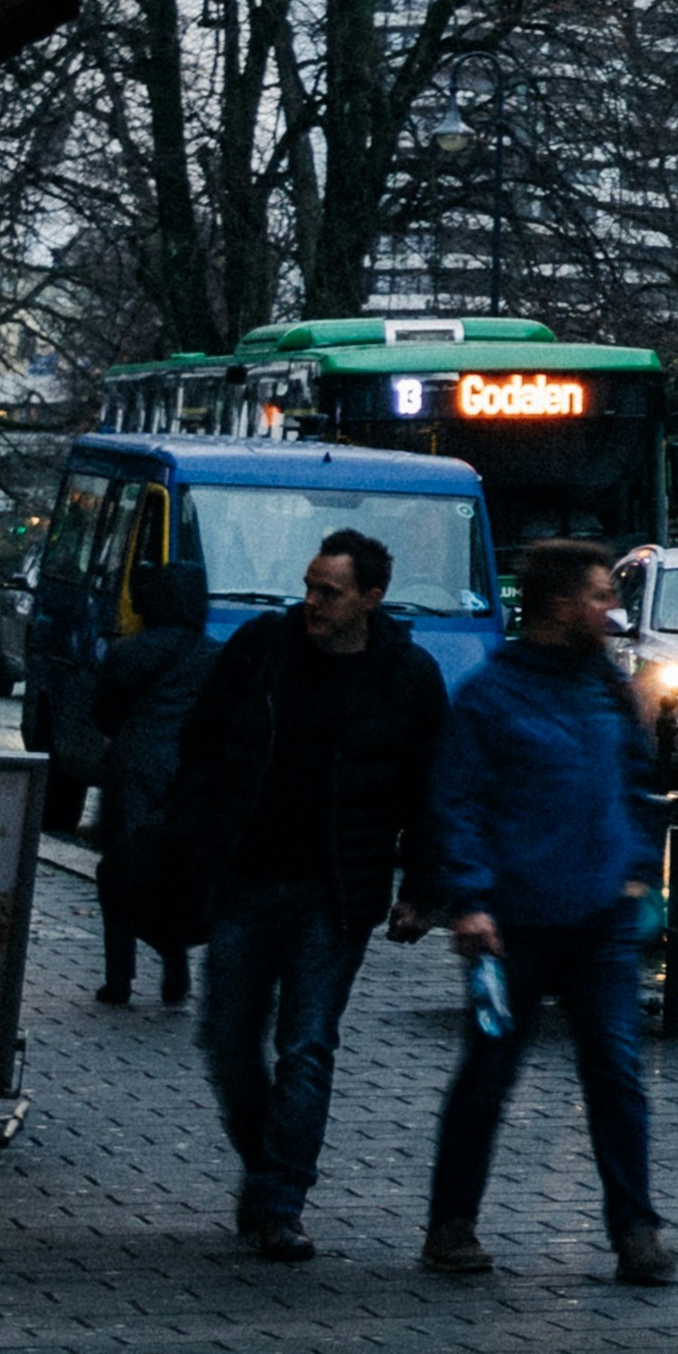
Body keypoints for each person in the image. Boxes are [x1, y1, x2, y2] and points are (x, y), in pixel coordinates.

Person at [169, 526, 455, 1260]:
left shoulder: (405, 676)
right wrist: (193, 842)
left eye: (329, 592)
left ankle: (280, 1203)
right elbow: (201, 746)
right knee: (227, 1041)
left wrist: (425, 890)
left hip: (336, 894)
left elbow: (434, 791)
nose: (312, 603)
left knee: (305, 1046)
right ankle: (269, 1170)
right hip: (243, 879)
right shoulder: (261, 651)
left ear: (371, 597)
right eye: (308, 586)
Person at [426, 535, 678, 1285]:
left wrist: (636, 871)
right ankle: (451, 1222)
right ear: (563, 605)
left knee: (617, 1074)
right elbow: (458, 802)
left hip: (599, 917)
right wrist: (469, 901)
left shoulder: (603, 687)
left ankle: (636, 1228)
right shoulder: (492, 696)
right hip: (511, 923)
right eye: (602, 595)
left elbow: (638, 782)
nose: (612, 609)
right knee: (488, 1073)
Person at [80, 558, 215, 1007]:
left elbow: (103, 714)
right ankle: (175, 961)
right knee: (177, 872)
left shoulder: (128, 653)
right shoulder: (214, 655)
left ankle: (119, 978)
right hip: (194, 777)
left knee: (120, 871)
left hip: (134, 770)